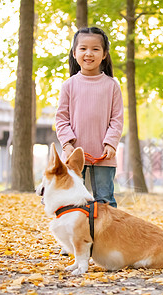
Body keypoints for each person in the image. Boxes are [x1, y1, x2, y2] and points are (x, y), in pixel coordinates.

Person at [55, 27, 123, 208]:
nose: (89, 54)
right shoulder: (69, 85)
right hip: (73, 155)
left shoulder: (112, 85)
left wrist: (110, 143)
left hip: (104, 155)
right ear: (74, 52)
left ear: (104, 54)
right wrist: (67, 144)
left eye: (95, 49)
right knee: (71, 199)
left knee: (105, 201)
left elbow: (117, 119)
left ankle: (104, 236)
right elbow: (61, 118)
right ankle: (77, 235)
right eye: (83, 48)